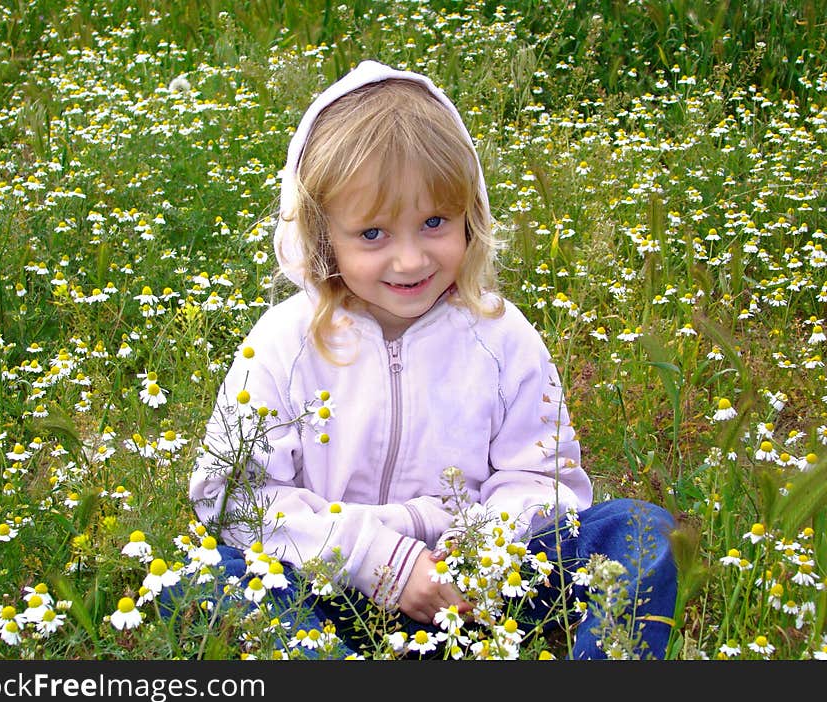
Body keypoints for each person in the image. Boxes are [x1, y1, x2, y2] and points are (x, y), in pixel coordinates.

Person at [188, 60, 678, 659]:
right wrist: (378, 561)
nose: (411, 260)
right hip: (329, 586)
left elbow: (543, 478)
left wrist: (479, 554)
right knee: (210, 578)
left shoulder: (502, 337)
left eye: (434, 222)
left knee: (640, 530)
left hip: (478, 589)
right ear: (322, 234)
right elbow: (234, 495)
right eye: (373, 234)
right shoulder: (283, 345)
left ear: (470, 216)